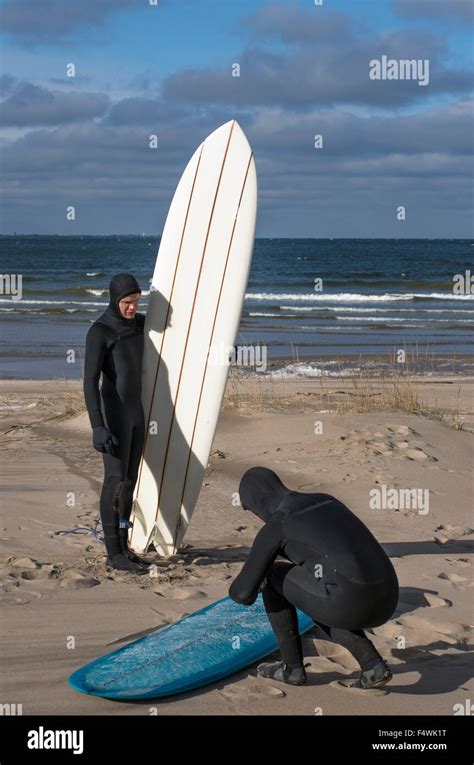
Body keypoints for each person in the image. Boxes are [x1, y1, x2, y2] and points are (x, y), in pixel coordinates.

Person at [228, 467, 399, 689]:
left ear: (256, 501)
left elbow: (242, 594)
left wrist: (262, 562)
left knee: (273, 576)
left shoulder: (279, 522)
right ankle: (372, 665)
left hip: (350, 602)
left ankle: (292, 669)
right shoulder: (326, 500)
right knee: (320, 585)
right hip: (387, 598)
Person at [83, 273, 147, 573]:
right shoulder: (100, 331)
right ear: (114, 300)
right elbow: (89, 381)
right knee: (114, 480)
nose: (132, 308)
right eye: (127, 303)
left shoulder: (137, 325)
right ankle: (113, 553)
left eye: (136, 302)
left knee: (130, 481)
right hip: (114, 416)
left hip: (137, 416)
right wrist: (97, 425)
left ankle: (125, 546)